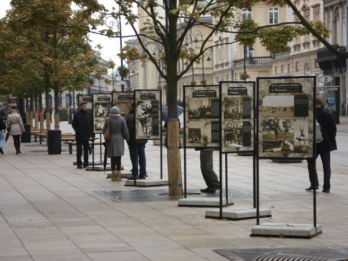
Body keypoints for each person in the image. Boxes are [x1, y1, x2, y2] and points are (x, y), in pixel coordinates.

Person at [306, 97, 337, 193]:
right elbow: (333, 129)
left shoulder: (310, 115)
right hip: (326, 143)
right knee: (326, 165)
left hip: (313, 144)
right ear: (321, 103)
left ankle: (314, 184)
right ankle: (326, 187)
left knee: (311, 163)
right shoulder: (328, 115)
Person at [102, 106, 129, 181]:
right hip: (119, 140)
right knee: (118, 158)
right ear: (118, 112)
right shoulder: (122, 119)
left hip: (110, 140)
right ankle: (118, 175)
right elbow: (125, 131)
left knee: (112, 158)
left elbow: (103, 131)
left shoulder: (108, 119)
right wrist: (127, 138)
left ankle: (113, 175)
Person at [126, 103, 147, 180]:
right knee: (142, 158)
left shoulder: (130, 118)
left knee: (134, 158)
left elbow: (128, 131)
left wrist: (128, 140)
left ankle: (135, 174)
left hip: (133, 142)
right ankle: (143, 174)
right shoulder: (142, 116)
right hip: (142, 140)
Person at [72, 102, 93, 169]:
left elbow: (91, 124)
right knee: (79, 150)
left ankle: (86, 163)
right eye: (83, 105)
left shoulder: (89, 114)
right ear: (80, 106)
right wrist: (77, 130)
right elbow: (73, 124)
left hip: (86, 135)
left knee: (86, 150)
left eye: (85, 105)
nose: (84, 106)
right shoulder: (77, 114)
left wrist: (90, 131)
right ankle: (79, 163)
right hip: (79, 135)